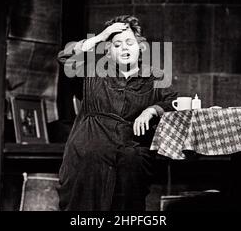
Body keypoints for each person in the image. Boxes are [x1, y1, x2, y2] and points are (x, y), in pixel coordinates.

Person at [57, 15, 177, 211]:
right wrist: (100, 37)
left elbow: (174, 102)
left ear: (140, 48)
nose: (124, 48)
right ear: (108, 51)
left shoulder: (155, 77)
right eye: (116, 44)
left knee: (131, 170)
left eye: (129, 42)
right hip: (90, 150)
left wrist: (152, 110)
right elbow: (65, 57)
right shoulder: (92, 73)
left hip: (130, 152)